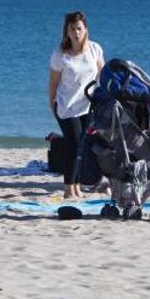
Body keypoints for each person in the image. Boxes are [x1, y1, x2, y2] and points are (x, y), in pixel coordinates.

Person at [48, 11, 105, 199]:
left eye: (79, 28)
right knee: (72, 144)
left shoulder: (94, 49)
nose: (76, 32)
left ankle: (77, 187)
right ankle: (67, 188)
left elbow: (102, 74)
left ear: (85, 29)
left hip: (87, 105)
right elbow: (54, 83)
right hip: (65, 106)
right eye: (72, 29)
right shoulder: (61, 54)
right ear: (67, 32)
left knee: (82, 146)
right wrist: (52, 104)